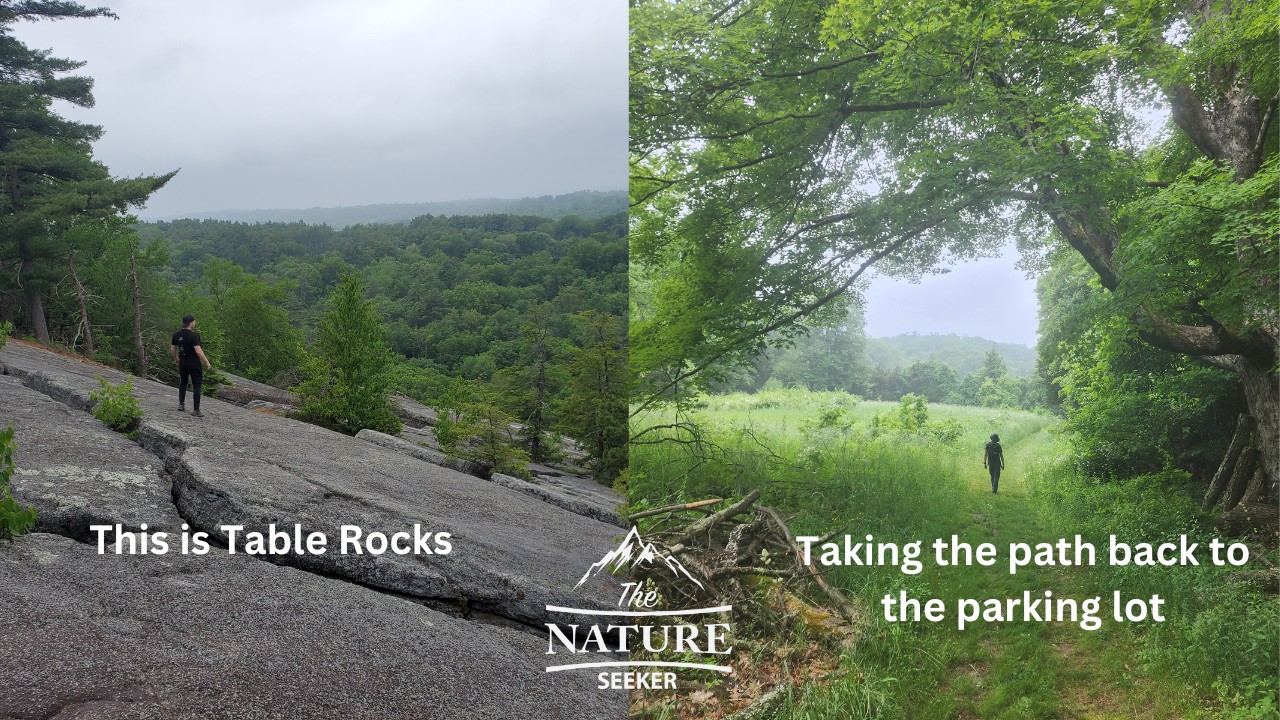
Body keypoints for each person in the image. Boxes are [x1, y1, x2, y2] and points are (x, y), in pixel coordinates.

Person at [170, 314, 212, 417]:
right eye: (194, 321)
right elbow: (198, 351)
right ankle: (196, 410)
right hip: (194, 364)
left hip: (183, 363)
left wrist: (176, 359)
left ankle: (181, 404)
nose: (195, 323)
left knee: (183, 382)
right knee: (196, 385)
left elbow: (172, 349)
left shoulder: (176, 334)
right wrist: (207, 362)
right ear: (190, 323)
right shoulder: (194, 335)